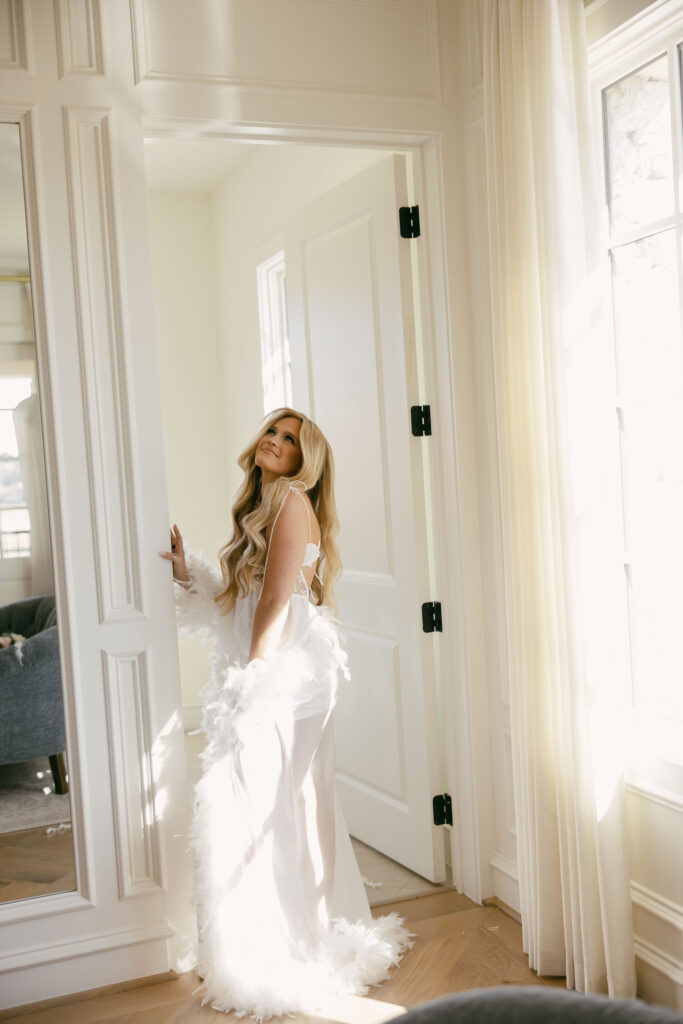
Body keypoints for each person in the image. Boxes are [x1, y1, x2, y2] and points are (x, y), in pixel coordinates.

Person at [160, 407, 412, 1020]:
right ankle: (271, 937)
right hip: (269, 660)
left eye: (290, 439)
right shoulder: (263, 501)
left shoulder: (293, 501)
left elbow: (275, 601)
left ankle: (293, 943)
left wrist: (252, 680)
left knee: (277, 803)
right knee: (274, 803)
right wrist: (188, 570)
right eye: (271, 432)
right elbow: (241, 598)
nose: (274, 441)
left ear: (306, 458)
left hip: (287, 672)